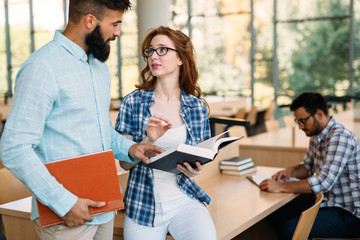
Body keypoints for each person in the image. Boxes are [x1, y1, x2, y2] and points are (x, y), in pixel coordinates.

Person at [0, 1, 163, 239]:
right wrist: (63, 203)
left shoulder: (98, 67)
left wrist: (130, 148)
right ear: (90, 21)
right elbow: (14, 148)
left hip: (104, 207)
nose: (118, 32)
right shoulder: (42, 68)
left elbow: (99, 130)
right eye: (114, 24)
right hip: (65, 216)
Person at [115, 26, 217, 240]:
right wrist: (148, 139)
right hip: (142, 204)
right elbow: (124, 164)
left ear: (180, 58)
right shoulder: (133, 102)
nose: (154, 56)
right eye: (150, 51)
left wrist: (193, 170)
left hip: (184, 200)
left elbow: (200, 156)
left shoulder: (196, 107)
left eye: (162, 50)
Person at [259, 92, 360, 239]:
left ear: (319, 114)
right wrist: (290, 172)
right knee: (276, 215)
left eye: (302, 121)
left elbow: (323, 182)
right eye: (297, 121)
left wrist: (280, 186)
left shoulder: (340, 137)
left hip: (350, 213)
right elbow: (307, 167)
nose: (300, 127)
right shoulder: (317, 134)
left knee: (290, 230)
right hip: (329, 203)